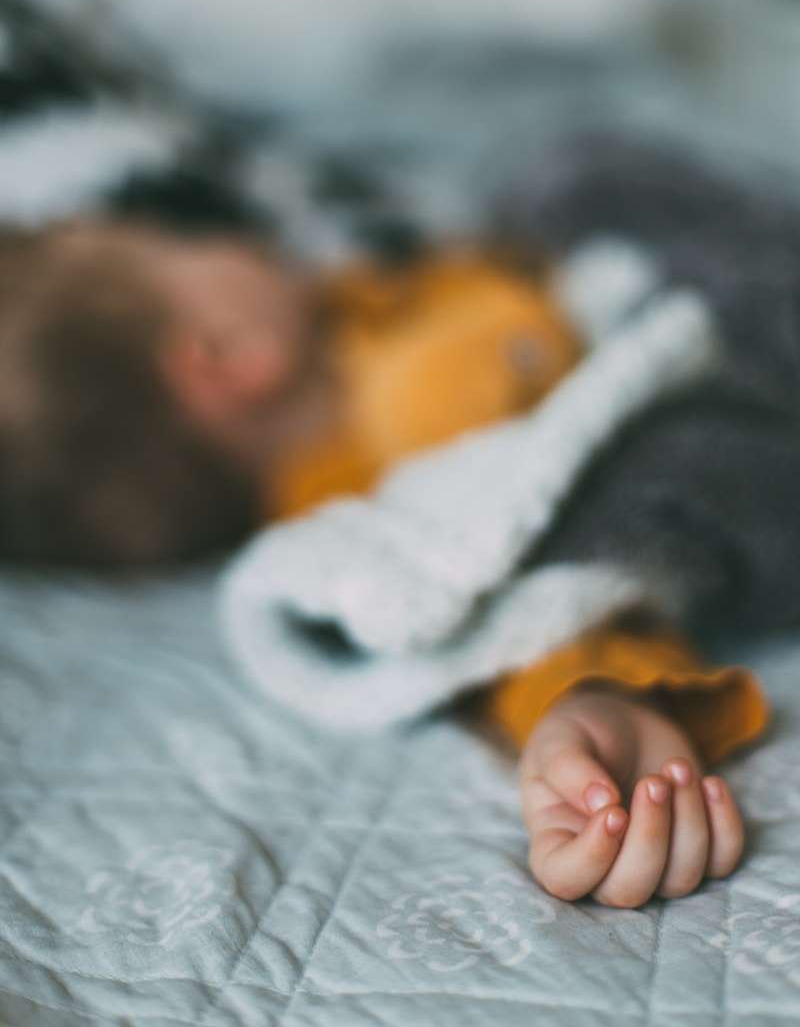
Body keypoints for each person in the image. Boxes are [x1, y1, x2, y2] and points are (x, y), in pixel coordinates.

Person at [0, 208, 772, 908]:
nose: (237, 233)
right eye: (187, 238)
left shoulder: (364, 298)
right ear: (227, 358)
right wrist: (594, 702)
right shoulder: (387, 502)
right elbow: (504, 593)